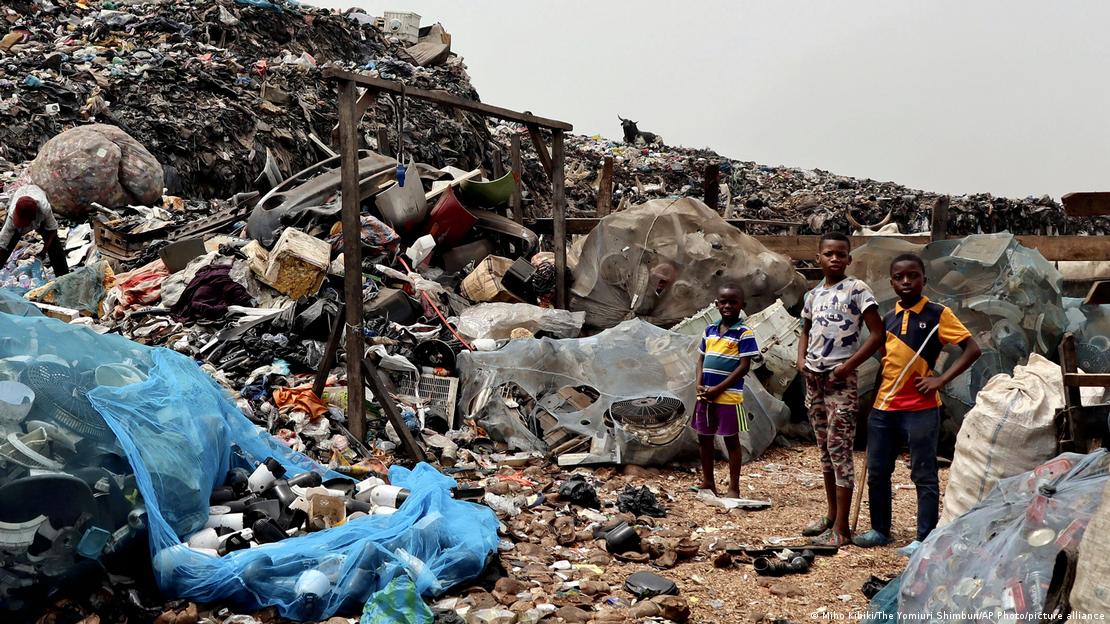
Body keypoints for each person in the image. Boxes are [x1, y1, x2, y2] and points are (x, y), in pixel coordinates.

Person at [852, 253, 981, 556]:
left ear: (924, 279)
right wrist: (873, 404)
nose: (906, 282)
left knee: (923, 473)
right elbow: (886, 364)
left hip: (921, 408)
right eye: (900, 277)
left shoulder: (938, 314)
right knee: (878, 471)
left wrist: (941, 379)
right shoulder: (887, 319)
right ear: (892, 282)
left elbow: (972, 349)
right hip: (885, 408)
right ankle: (880, 530)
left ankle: (924, 537)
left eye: (913, 276)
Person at [796, 232, 885, 546]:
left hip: (841, 382)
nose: (835, 259)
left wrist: (848, 366)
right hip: (814, 381)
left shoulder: (857, 290)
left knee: (840, 449)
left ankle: (842, 530)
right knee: (824, 450)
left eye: (841, 254)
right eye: (829, 254)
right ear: (818, 258)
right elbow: (804, 330)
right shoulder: (813, 295)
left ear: (849, 259)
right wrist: (800, 359)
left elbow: (877, 335)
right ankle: (831, 515)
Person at [694, 283, 759, 499]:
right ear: (716, 304)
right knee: (704, 438)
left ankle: (734, 488)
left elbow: (744, 366)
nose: (728, 306)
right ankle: (708, 482)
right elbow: (701, 358)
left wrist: (718, 389)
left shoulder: (744, 333)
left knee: (731, 440)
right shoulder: (709, 330)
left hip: (728, 396)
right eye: (724, 302)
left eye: (733, 302)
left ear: (743, 305)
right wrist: (698, 383)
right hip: (704, 396)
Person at [0, 185, 68, 276]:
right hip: (20, 194)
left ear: (32, 219)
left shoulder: (44, 209)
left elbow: (53, 230)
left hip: (37, 200)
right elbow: (2, 243)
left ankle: (63, 276)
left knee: (55, 247)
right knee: (5, 248)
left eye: (23, 223)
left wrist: (44, 250)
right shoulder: (12, 216)